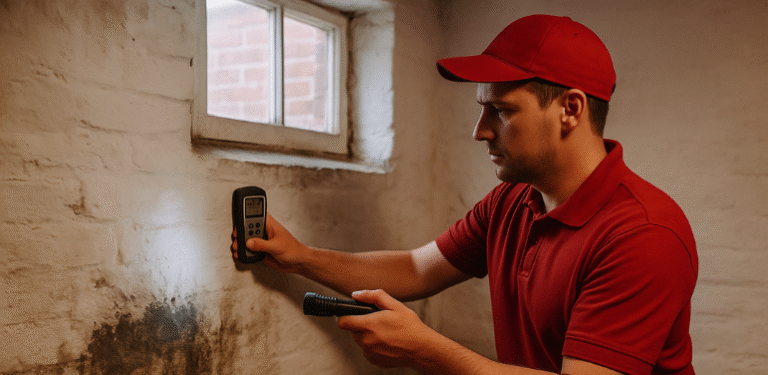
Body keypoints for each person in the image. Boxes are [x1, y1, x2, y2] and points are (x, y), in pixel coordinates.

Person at [231, 14, 698, 375]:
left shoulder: (643, 235)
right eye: (482, 109)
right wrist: (301, 257)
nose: (480, 131)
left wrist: (426, 350)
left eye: (500, 110)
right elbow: (416, 268)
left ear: (570, 109)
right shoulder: (513, 202)